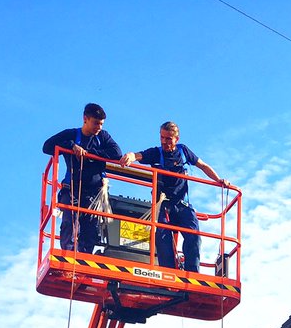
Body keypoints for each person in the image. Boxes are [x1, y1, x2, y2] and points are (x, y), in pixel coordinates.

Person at [121, 121, 229, 273]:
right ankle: (170, 273)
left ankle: (192, 274)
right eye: (162, 138)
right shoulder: (156, 153)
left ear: (176, 139)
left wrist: (218, 180)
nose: (164, 142)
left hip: (182, 204)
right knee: (163, 237)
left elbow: (203, 165)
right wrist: (130, 156)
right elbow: (138, 155)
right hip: (163, 204)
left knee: (194, 235)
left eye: (168, 139)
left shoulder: (183, 151)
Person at [43, 103, 122, 254]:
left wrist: (90, 152)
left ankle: (85, 258)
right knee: (69, 224)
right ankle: (69, 254)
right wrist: (71, 146)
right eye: (96, 123)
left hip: (94, 194)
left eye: (101, 124)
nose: (98, 127)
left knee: (90, 230)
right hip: (72, 190)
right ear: (85, 119)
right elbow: (47, 147)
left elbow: (116, 153)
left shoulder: (103, 137)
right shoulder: (71, 134)